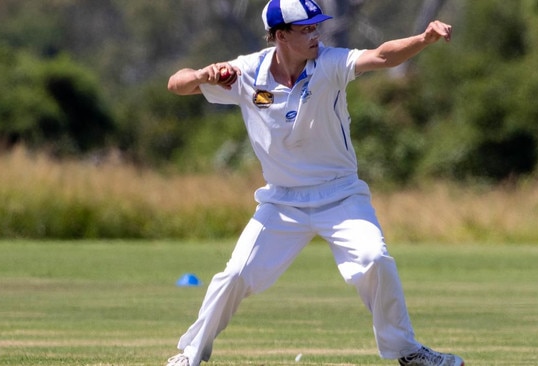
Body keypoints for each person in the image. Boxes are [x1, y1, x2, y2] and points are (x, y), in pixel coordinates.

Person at [165, 1, 463, 365]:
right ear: (280, 36)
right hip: (281, 203)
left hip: (340, 195)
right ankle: (190, 357)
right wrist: (201, 76)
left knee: (375, 259)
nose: (315, 34)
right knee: (236, 274)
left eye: (316, 26)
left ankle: (407, 352)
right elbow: (175, 84)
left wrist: (424, 38)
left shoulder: (330, 63)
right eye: (305, 29)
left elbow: (383, 57)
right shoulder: (246, 72)